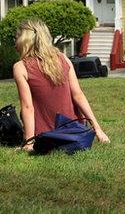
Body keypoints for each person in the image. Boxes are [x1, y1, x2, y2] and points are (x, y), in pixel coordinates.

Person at [12, 19, 110, 151]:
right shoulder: (64, 59)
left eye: (17, 37)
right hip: (74, 131)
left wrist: (29, 143)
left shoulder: (21, 67)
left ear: (25, 40)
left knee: (22, 112)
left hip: (46, 135)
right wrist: (98, 129)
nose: (15, 41)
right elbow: (78, 95)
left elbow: (28, 107)